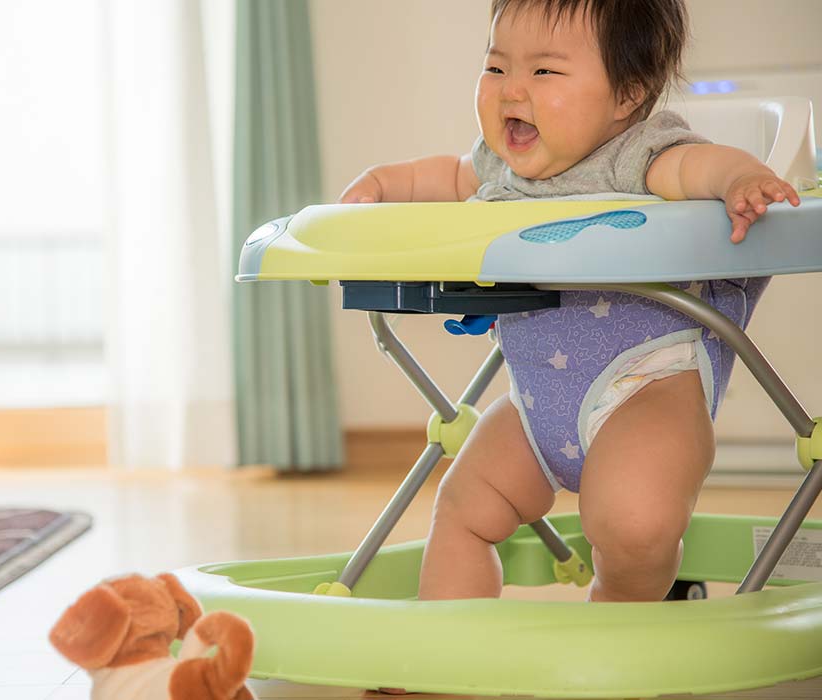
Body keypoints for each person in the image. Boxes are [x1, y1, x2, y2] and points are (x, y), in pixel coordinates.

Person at [339, 0, 801, 606]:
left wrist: (740, 179)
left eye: (545, 73)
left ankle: (622, 619)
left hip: (646, 387)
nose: (512, 92)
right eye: (497, 68)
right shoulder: (500, 168)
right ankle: (444, 645)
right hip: (536, 406)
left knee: (633, 524)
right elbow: (444, 179)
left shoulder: (637, 157)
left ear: (627, 94)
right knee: (463, 508)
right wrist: (381, 186)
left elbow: (698, 167)